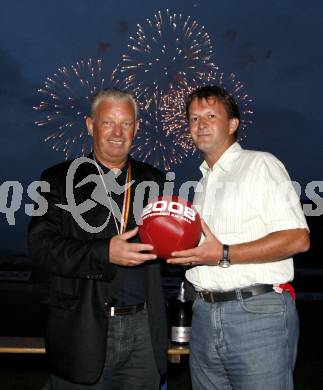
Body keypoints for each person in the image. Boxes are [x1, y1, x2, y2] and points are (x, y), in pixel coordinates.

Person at [167, 85, 310, 390]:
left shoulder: (261, 165)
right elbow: (206, 249)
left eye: (210, 115)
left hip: (256, 314)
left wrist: (223, 254)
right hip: (204, 314)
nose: (200, 124)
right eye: (193, 119)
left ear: (233, 124)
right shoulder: (203, 184)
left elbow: (298, 238)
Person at [28, 89, 168, 389]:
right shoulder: (56, 179)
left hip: (144, 332)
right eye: (108, 123)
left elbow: (166, 246)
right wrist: (104, 252)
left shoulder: (154, 181)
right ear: (91, 125)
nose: (117, 133)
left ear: (137, 127)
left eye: (126, 123)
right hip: (82, 332)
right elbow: (41, 247)